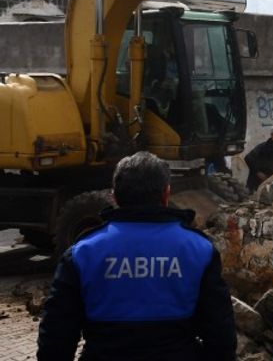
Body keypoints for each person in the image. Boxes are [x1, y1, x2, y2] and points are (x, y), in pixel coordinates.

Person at [37, 151, 237, 361]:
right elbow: (220, 332)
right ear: (166, 194)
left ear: (114, 197)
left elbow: (56, 336)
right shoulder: (199, 249)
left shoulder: (82, 253)